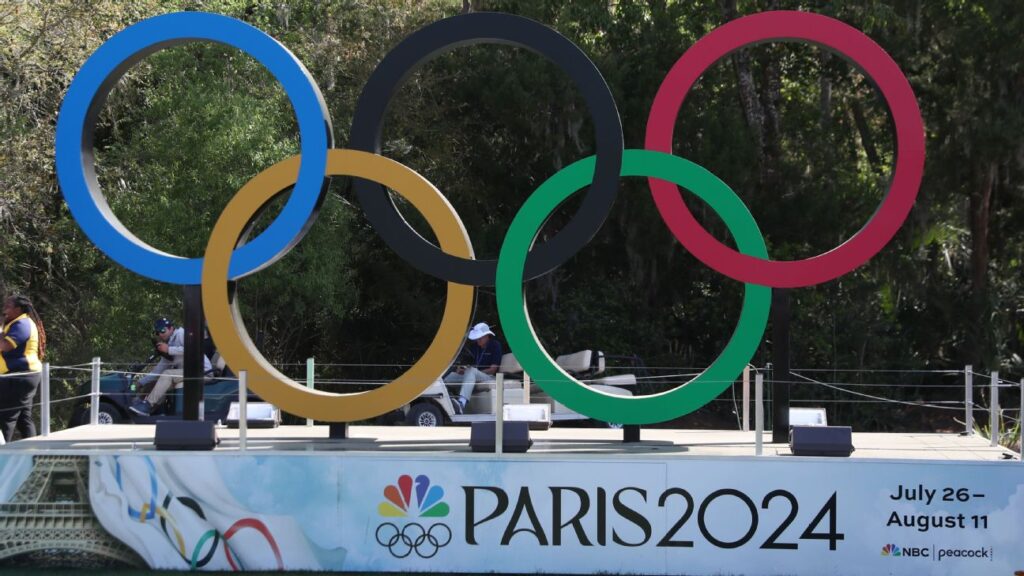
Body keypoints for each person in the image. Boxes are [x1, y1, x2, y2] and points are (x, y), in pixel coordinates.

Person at [130, 317, 212, 416]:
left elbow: (194, 348)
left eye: (163, 330)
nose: (160, 334)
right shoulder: (169, 345)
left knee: (167, 374)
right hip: (188, 373)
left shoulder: (181, 334)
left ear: (171, 328)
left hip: (203, 372)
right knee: (158, 382)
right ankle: (153, 411)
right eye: (157, 332)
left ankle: (147, 405)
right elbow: (157, 371)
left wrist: (169, 349)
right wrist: (140, 383)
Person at [0, 294, 45, 442]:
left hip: (20, 376)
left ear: (18, 309)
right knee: (23, 418)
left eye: (8, 306)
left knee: (6, 417)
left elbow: (4, 346)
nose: (4, 308)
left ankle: (2, 456)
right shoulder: (15, 323)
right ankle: (32, 451)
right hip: (25, 376)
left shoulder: (22, 324)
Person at [443, 322, 503, 413]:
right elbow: (469, 363)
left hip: (489, 377)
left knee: (471, 371)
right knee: (448, 376)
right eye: (477, 338)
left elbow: (492, 369)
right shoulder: (475, 347)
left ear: (487, 335)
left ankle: (461, 404)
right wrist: (462, 369)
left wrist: (473, 371)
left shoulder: (495, 345)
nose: (478, 340)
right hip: (473, 375)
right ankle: (447, 402)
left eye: (480, 337)